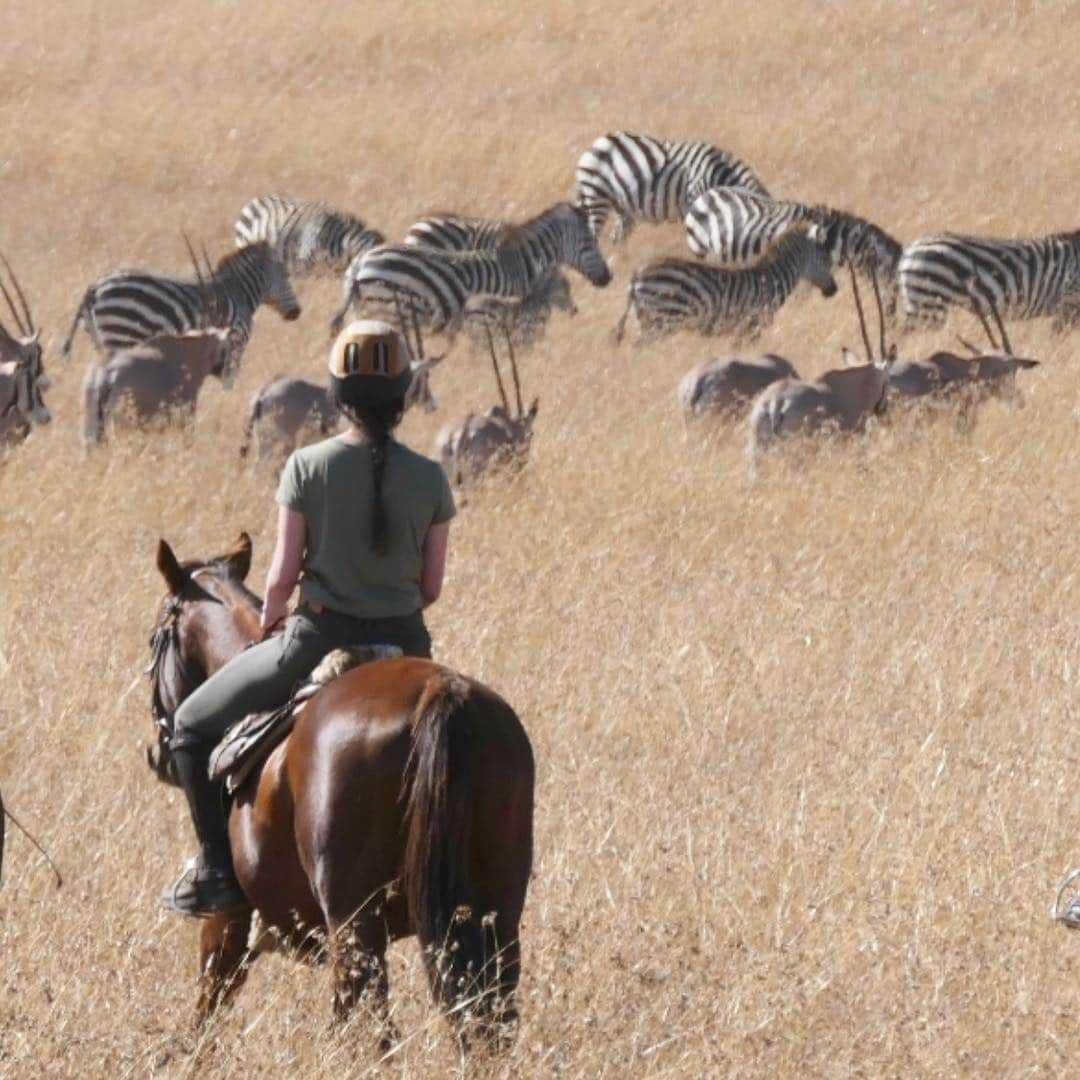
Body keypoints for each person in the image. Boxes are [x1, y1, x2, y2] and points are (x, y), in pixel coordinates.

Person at [162, 320, 456, 917]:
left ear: (338, 394)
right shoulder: (430, 477)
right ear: (402, 395)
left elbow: (279, 578)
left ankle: (218, 870)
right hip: (409, 647)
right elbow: (431, 587)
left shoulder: (304, 466)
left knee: (191, 725)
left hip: (316, 638)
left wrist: (273, 620)